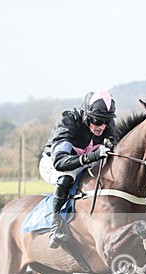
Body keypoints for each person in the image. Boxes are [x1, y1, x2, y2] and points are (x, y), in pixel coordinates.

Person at [39, 89, 120, 248]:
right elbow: (60, 162)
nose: (101, 126)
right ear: (85, 115)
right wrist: (91, 157)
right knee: (67, 176)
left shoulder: (107, 125)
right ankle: (56, 226)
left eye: (106, 121)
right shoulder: (69, 122)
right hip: (53, 163)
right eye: (97, 120)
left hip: (83, 163)